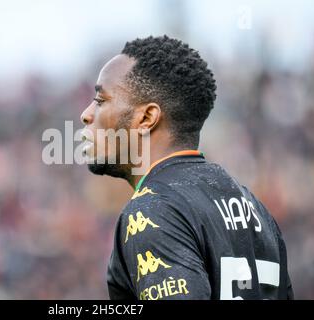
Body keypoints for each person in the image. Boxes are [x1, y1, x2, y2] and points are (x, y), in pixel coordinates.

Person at [80, 35, 293, 300]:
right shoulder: (254, 208)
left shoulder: (152, 210)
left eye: (101, 100)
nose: (86, 113)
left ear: (146, 118)